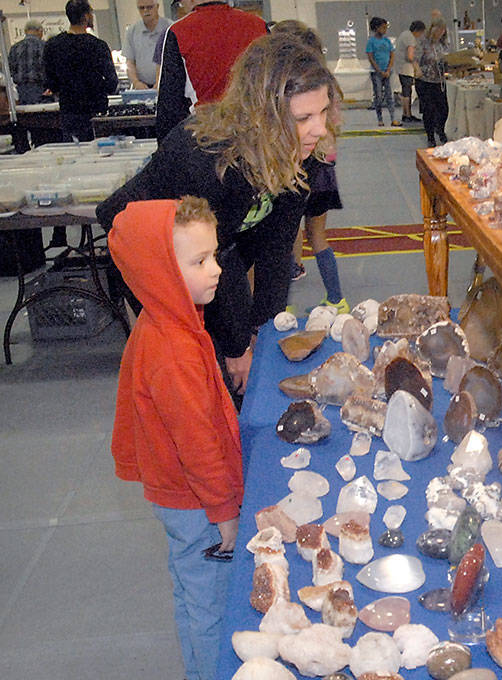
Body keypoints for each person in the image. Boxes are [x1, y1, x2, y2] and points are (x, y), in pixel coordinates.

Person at [99, 32, 339, 397]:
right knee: (197, 373)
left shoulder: (298, 155)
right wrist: (236, 348)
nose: (319, 129)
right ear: (262, 117)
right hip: (147, 251)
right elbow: (214, 260)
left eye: (322, 112)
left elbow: (276, 253)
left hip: (215, 250)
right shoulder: (208, 159)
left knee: (243, 357)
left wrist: (262, 331)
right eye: (304, 117)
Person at [109, 194, 241, 680]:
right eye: (199, 261)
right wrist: (225, 512)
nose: (216, 270)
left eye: (214, 255)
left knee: (189, 583)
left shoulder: (165, 321)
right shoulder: (175, 350)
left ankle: (195, 673)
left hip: (174, 496)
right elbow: (198, 446)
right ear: (161, 270)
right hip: (193, 498)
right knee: (211, 595)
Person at [273, 20, 347, 313]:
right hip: (324, 169)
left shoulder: (297, 88)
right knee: (317, 236)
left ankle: (283, 305)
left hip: (304, 169)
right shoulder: (325, 84)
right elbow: (334, 127)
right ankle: (336, 297)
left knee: (287, 237)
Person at [154, 0, 269, 141]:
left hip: (205, 137)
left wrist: (166, 153)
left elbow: (169, 107)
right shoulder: (259, 26)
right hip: (255, 136)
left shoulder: (178, 32)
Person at [42, 0, 117, 142]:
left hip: (69, 112)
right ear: (86, 16)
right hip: (97, 113)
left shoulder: (52, 46)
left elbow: (51, 83)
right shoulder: (98, 46)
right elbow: (112, 83)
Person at [125, 0, 172, 89]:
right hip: (142, 87)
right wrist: (136, 82)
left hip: (168, 84)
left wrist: (160, 82)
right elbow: (130, 62)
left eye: (150, 7)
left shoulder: (170, 28)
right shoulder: (132, 31)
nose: (146, 11)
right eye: (141, 8)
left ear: (157, 7)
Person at [418, 19, 451, 145]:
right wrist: (418, 69)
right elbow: (415, 58)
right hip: (426, 80)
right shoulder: (424, 43)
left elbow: (448, 58)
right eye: (437, 29)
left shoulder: (443, 44)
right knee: (429, 110)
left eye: (442, 30)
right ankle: (430, 136)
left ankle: (440, 130)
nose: (440, 32)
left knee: (443, 109)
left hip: (440, 81)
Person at [8, 21, 49, 105]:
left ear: (25, 31)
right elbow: (49, 69)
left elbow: (10, 70)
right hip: (40, 89)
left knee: (25, 117)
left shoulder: (14, 48)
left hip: (20, 90)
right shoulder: (44, 46)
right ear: (40, 31)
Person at [367, 17, 397, 126]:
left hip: (388, 72)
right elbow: (371, 57)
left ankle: (393, 118)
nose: (385, 30)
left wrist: (388, 69)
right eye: (382, 27)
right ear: (376, 28)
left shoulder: (387, 41)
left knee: (390, 95)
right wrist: (379, 71)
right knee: (378, 96)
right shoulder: (371, 41)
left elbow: (392, 55)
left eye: (385, 27)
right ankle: (380, 119)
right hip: (376, 73)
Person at [396, 20, 424, 123]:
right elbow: (410, 56)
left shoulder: (404, 34)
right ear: (417, 30)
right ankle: (407, 115)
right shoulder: (410, 38)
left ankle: (406, 114)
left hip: (400, 67)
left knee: (405, 91)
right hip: (406, 68)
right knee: (407, 92)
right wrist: (417, 66)